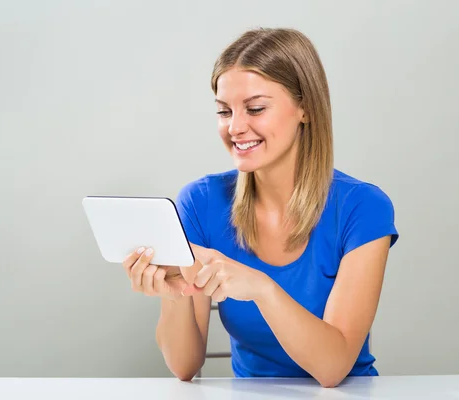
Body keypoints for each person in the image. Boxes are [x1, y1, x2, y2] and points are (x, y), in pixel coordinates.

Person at [121, 27, 399, 388]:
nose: (235, 127)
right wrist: (174, 296)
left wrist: (261, 288)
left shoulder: (363, 208)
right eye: (224, 111)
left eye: (255, 108)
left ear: (306, 109)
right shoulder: (200, 202)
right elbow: (184, 366)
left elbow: (333, 368)